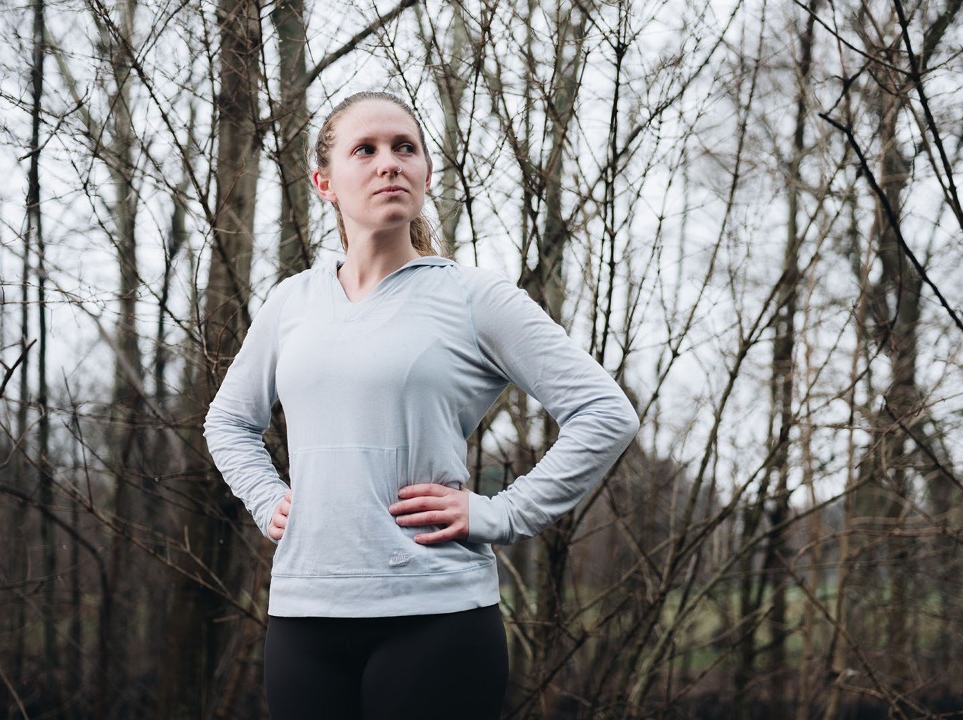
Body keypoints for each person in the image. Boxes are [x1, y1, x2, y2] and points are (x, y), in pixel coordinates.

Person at [203, 90, 639, 720]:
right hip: (304, 617)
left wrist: (502, 512)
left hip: (437, 618)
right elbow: (229, 421)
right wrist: (267, 498)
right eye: (366, 150)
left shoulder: (473, 296)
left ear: (426, 175)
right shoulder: (290, 303)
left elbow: (605, 413)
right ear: (325, 182)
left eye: (405, 148)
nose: (389, 163)